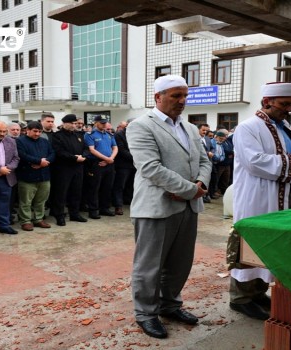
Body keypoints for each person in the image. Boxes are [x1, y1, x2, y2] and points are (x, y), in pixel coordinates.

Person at [127, 75, 211, 339]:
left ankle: (170, 305)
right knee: (150, 265)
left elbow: (205, 162)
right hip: (156, 207)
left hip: (187, 206)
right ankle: (146, 313)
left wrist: (199, 185)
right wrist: (190, 190)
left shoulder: (190, 129)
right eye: (176, 96)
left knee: (180, 262)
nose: (182, 101)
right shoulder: (141, 126)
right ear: (158, 97)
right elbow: (150, 168)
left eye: (184, 96)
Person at [228, 82, 291, 320]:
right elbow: (255, 162)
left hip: (288, 196)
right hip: (258, 197)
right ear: (267, 102)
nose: (289, 109)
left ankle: (258, 292)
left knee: (274, 247)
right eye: (284, 104)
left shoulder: (287, 129)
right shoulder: (248, 127)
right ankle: (240, 298)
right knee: (252, 246)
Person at [15, 121, 54, 231]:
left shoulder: (44, 141)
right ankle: (26, 221)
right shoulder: (20, 141)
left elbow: (52, 153)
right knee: (26, 201)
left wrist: (44, 162)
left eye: (40, 132)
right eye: (35, 131)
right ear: (28, 130)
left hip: (44, 175)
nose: (37, 134)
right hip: (27, 176)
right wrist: (38, 161)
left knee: (41, 200)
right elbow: (22, 155)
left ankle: (38, 219)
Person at [51, 114, 88, 225]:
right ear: (64, 123)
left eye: (75, 123)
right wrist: (74, 158)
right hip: (64, 168)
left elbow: (85, 148)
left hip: (78, 168)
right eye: (71, 123)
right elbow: (59, 151)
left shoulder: (78, 135)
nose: (73, 125)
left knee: (76, 191)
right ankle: (59, 215)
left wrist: (83, 156)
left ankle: (74, 214)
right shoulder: (57, 136)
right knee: (61, 193)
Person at [83, 115, 118, 219]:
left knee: (107, 187)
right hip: (96, 163)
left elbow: (115, 148)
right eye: (102, 122)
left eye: (105, 122)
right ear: (95, 123)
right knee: (94, 187)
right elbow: (92, 150)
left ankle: (105, 208)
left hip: (109, 163)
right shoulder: (90, 134)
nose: (104, 124)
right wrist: (107, 159)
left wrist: (110, 159)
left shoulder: (109, 134)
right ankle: (93, 210)